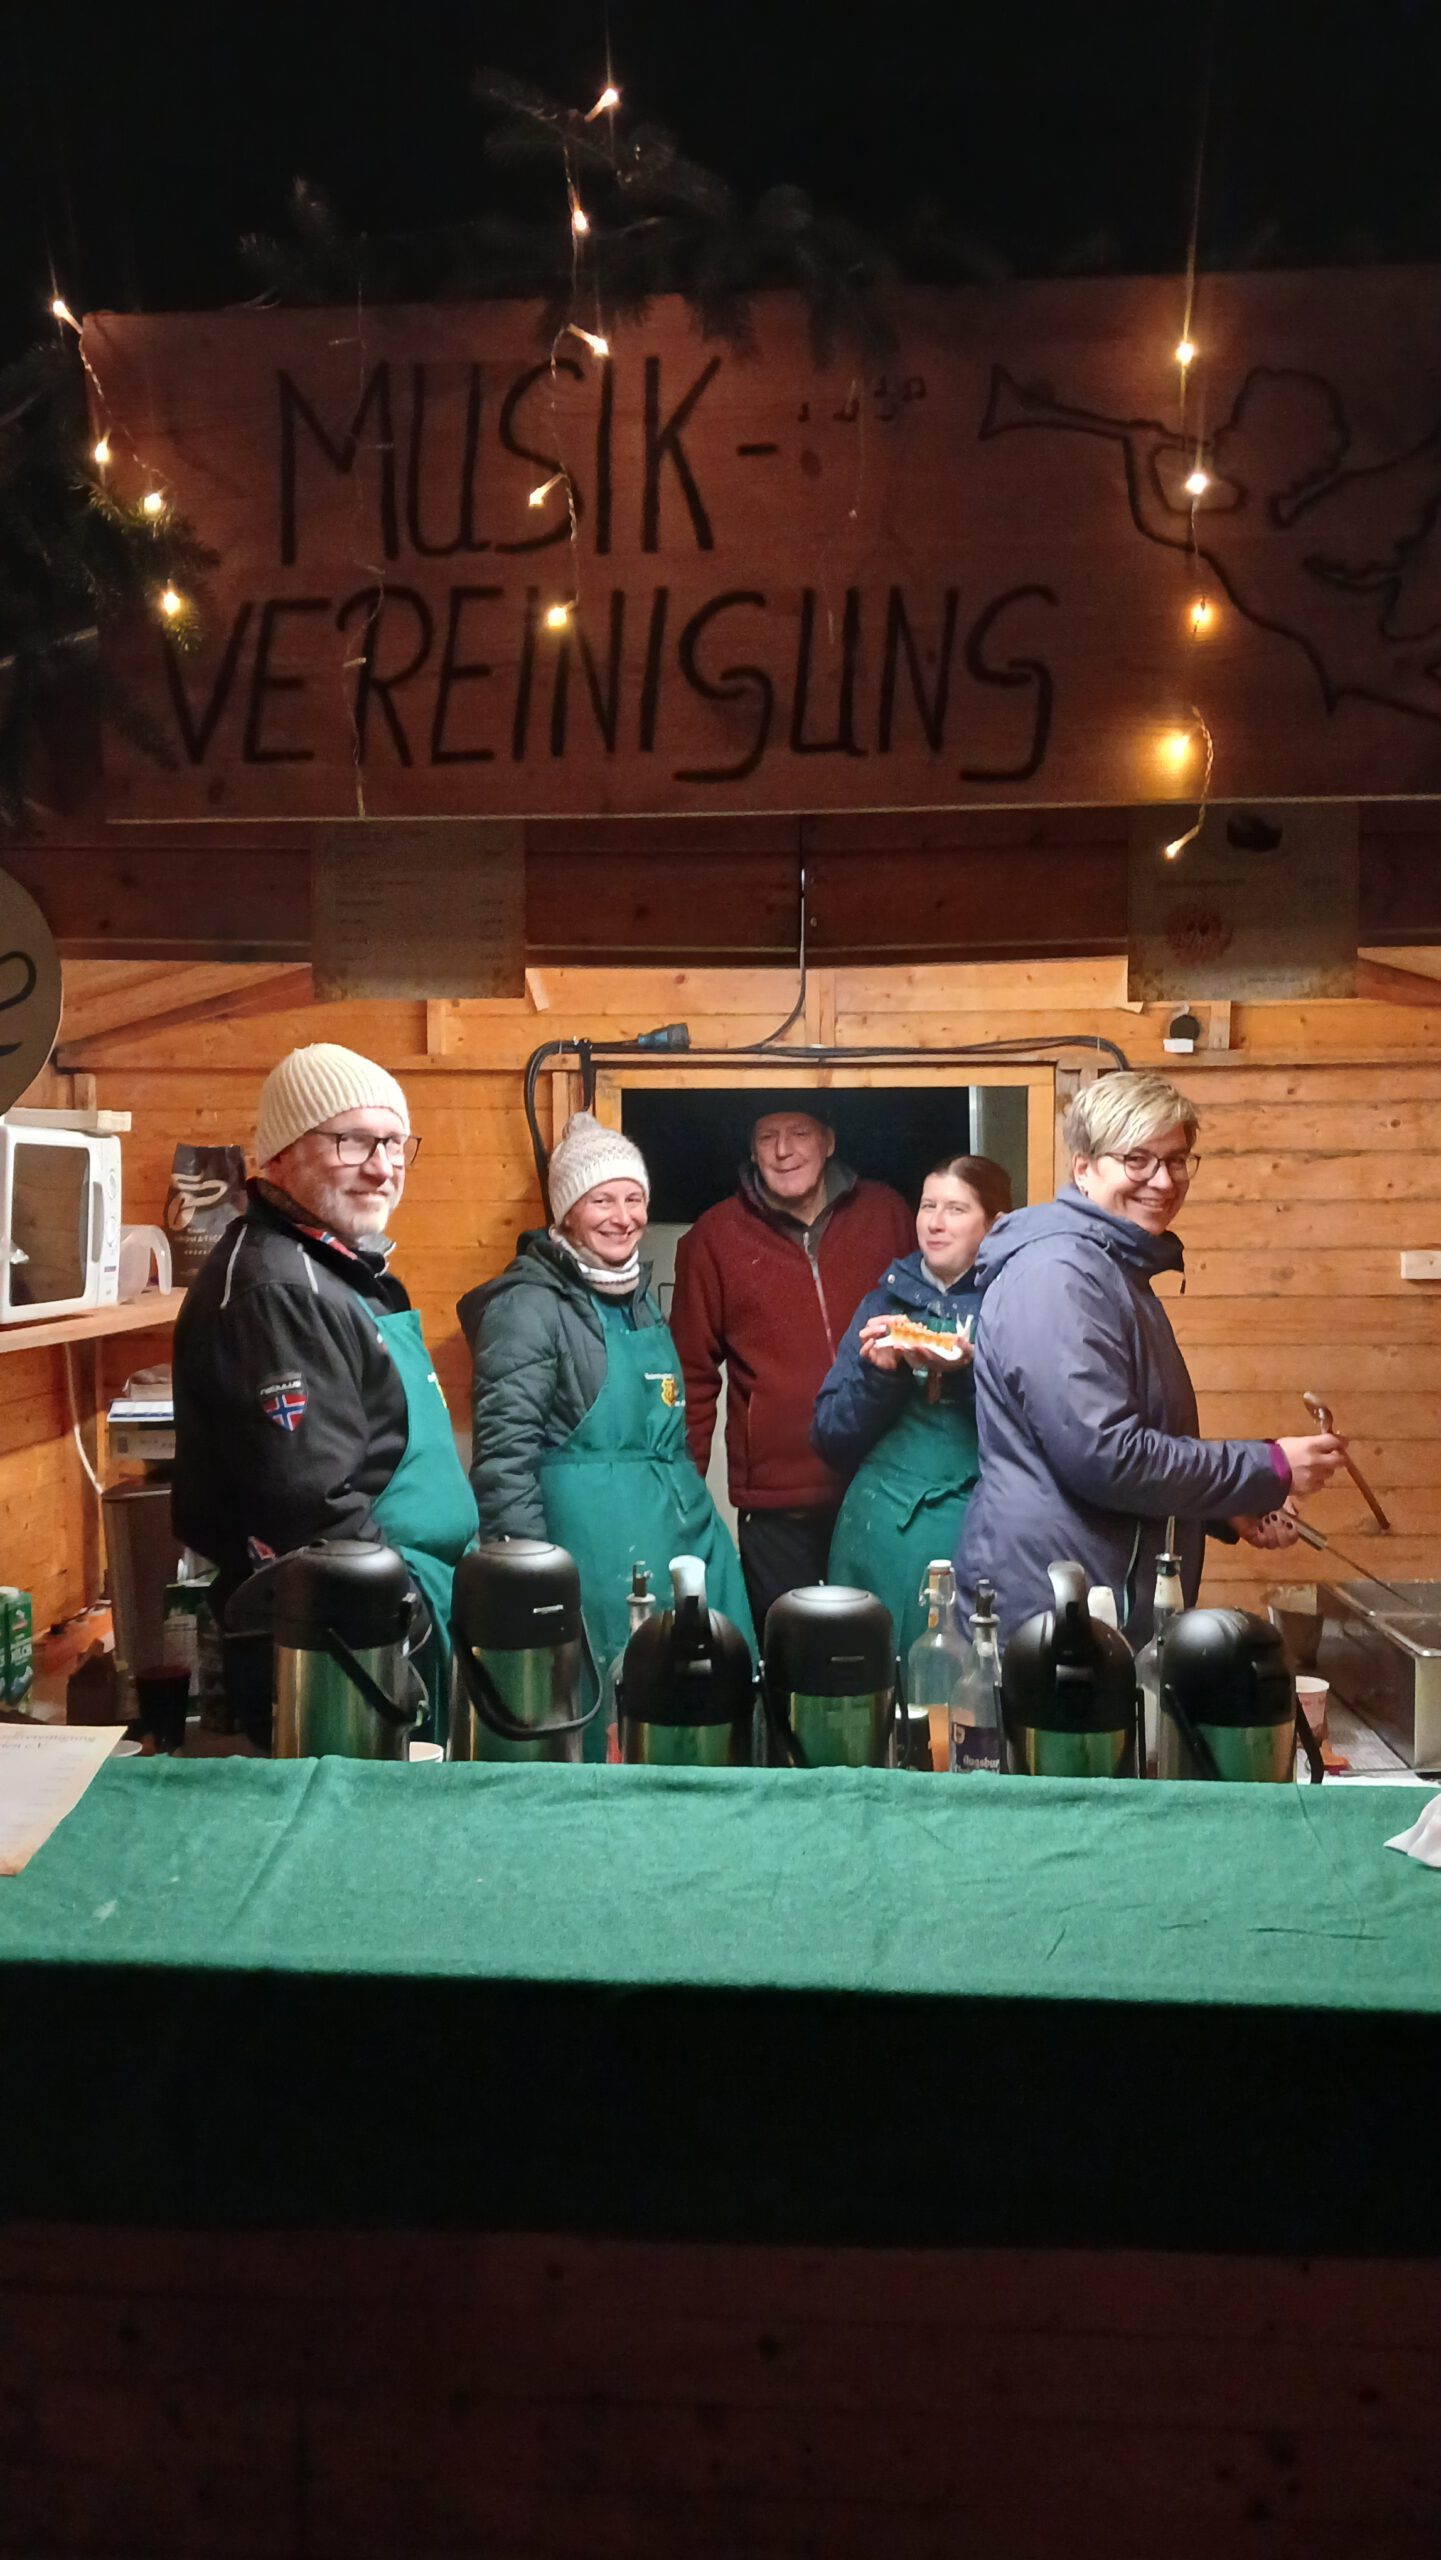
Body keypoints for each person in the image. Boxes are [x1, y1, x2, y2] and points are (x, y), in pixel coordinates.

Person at [955, 1071, 1348, 1646]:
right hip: (1053, 1613)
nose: (1163, 1181)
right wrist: (1268, 1468)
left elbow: (1123, 1452)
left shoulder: (1113, 1268)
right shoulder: (1058, 1275)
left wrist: (1224, 1507)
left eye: (1177, 1160)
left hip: (1096, 1602)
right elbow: (1107, 1457)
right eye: (1137, 1160)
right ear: (1084, 1168)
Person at [173, 1042, 479, 1740]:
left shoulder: (341, 1270)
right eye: (353, 1141)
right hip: (348, 1643)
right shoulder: (278, 1288)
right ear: (280, 1155)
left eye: (395, 1143)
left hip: (389, 1613)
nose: (382, 1166)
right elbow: (311, 1512)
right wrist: (410, 1628)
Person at [459, 1113, 753, 1758]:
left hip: (681, 1542)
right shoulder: (527, 1307)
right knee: (606, 1732)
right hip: (589, 1563)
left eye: (634, 1198)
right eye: (602, 1201)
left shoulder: (636, 1297)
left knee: (701, 1727)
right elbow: (504, 1462)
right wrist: (527, 1582)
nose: (623, 1218)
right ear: (566, 1213)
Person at [671, 1106, 913, 1636]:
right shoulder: (714, 1237)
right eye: (767, 1137)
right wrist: (683, 1498)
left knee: (877, 1657)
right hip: (776, 1512)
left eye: (799, 1133)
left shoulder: (888, 1215)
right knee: (790, 1658)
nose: (783, 1151)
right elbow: (691, 1376)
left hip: (882, 1494)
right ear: (751, 1148)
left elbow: (928, 1330)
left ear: (829, 1141)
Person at [812, 1155, 1012, 1675]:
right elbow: (830, 1435)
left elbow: (1035, 1434)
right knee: (865, 1686)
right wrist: (881, 1376)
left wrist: (968, 1374)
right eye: (928, 1206)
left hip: (974, 1532)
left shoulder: (1013, 1304)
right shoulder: (884, 1302)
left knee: (954, 1689)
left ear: (994, 1224)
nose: (935, 1223)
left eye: (956, 1209)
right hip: (873, 1533)